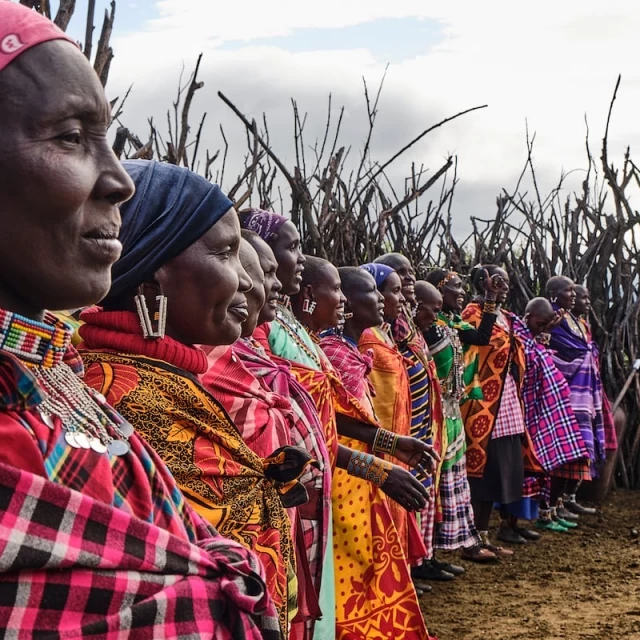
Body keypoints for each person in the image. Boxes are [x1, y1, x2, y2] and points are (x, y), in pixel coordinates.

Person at [0, 5, 278, 638]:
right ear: (156, 279)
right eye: (70, 136)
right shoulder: (112, 390)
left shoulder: (59, 382)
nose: (121, 180)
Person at [79, 160, 298, 636]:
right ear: (154, 282)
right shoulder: (120, 395)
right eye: (225, 254)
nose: (245, 281)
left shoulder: (169, 377)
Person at [318, 266, 432, 639]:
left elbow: (344, 422)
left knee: (365, 563)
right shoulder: (335, 352)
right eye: (376, 292)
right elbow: (327, 425)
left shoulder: (348, 349)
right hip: (345, 477)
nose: (384, 300)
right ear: (348, 302)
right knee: (350, 565)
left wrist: (393, 447)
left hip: (364, 471)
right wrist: (383, 459)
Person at [235, 230, 334, 636]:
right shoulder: (221, 362)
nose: (271, 283)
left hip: (297, 515)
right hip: (251, 557)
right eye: (264, 270)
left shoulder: (264, 346)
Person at [374, 256, 458, 583]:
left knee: (423, 491)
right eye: (399, 279)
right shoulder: (382, 328)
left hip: (422, 419)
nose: (407, 280)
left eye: (409, 274)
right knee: (405, 495)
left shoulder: (404, 320)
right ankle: (410, 566)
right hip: (398, 428)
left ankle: (423, 558)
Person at [460, 266, 541, 554]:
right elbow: (477, 350)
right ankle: (469, 540)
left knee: (498, 472)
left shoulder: (505, 318)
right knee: (480, 473)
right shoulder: (470, 314)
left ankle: (484, 537)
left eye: (506, 280)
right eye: (498, 280)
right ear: (483, 282)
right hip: (480, 403)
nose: (504, 285)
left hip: (505, 404)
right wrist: (489, 298)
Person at [421, 271, 501, 562]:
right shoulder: (428, 327)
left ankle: (459, 544)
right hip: (432, 413)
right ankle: (428, 556)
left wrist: (490, 299)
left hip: (452, 412)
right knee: (436, 481)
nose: (462, 292)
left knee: (453, 480)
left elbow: (481, 337)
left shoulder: (453, 324)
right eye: (456, 287)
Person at [357, 263, 431, 569]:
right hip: (373, 451)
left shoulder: (384, 335)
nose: (402, 299)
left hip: (395, 442)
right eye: (395, 291)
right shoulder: (367, 342)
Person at [514, 298, 590, 533]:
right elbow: (531, 364)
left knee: (544, 466)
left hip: (541, 412)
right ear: (528, 318)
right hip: (524, 412)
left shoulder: (536, 337)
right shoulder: (519, 338)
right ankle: (517, 522)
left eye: (546, 324)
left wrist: (545, 332)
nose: (543, 327)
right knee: (524, 468)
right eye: (540, 323)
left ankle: (543, 514)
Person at [546, 276, 609, 516]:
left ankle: (565, 500)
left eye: (576, 292)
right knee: (564, 448)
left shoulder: (575, 321)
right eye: (569, 291)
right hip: (565, 394)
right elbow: (554, 353)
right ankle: (551, 507)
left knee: (581, 446)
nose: (573, 296)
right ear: (554, 294)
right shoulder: (553, 318)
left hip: (583, 394)